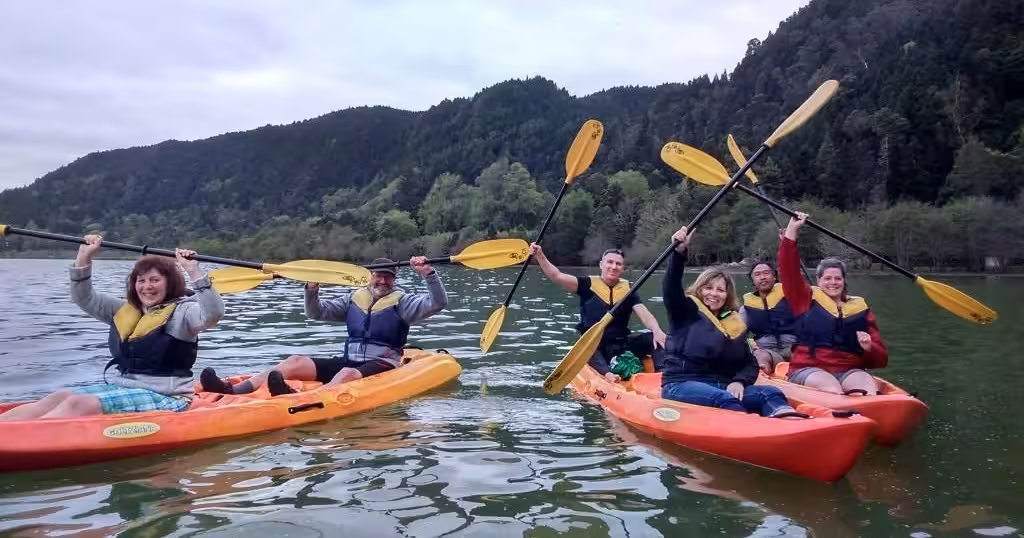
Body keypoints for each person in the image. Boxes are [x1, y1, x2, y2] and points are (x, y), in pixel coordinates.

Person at [0, 234, 225, 421]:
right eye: (141, 280)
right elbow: (84, 298)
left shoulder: (184, 311)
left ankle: (21, 438)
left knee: (79, 404)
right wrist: (84, 257)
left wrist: (194, 272)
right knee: (59, 396)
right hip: (123, 388)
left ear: (170, 283)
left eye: (154, 280)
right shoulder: (123, 310)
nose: (146, 287)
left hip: (169, 397)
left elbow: (213, 315)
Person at [201, 256, 447, 396]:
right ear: (369, 276)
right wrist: (311, 289)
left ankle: (300, 400)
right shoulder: (353, 298)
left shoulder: (404, 302)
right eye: (378, 275)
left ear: (394, 279)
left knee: (346, 375)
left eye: (388, 276)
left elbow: (438, 303)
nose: (382, 280)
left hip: (384, 363)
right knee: (295, 361)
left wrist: (428, 274)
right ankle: (235, 390)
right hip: (349, 358)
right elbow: (316, 313)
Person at [659, 226, 798, 418]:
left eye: (720, 290)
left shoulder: (734, 323)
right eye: (709, 288)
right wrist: (678, 253)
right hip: (681, 384)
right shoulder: (684, 310)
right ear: (699, 289)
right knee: (725, 400)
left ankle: (789, 424)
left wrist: (739, 381)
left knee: (771, 393)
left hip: (723, 385)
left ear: (727, 295)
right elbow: (670, 287)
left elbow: (749, 364)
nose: (714, 294)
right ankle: (755, 436)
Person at [779, 213, 888, 394]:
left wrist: (870, 348)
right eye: (827, 278)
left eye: (838, 278)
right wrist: (792, 231)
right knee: (831, 388)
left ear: (844, 281)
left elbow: (881, 360)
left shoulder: (860, 309)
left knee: (868, 389)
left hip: (848, 370)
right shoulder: (804, 298)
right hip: (809, 368)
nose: (833, 282)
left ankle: (868, 410)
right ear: (819, 281)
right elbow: (788, 269)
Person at [529, 243, 668, 382]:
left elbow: (644, 313)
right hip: (594, 347)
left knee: (654, 337)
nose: (614, 267)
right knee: (587, 346)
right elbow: (556, 276)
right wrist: (540, 256)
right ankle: (607, 374)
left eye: (618, 264)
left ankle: (664, 376)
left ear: (623, 268)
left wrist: (657, 330)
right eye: (610, 262)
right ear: (601, 264)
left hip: (621, 345)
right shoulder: (586, 285)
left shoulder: (628, 290)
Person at [740, 260, 797, 374]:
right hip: (768, 352)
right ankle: (764, 375)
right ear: (753, 281)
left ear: (774, 277)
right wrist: (753, 348)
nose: (762, 277)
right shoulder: (745, 309)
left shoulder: (792, 296)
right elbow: (739, 336)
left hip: (795, 349)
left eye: (766, 273)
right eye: (757, 274)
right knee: (759, 356)